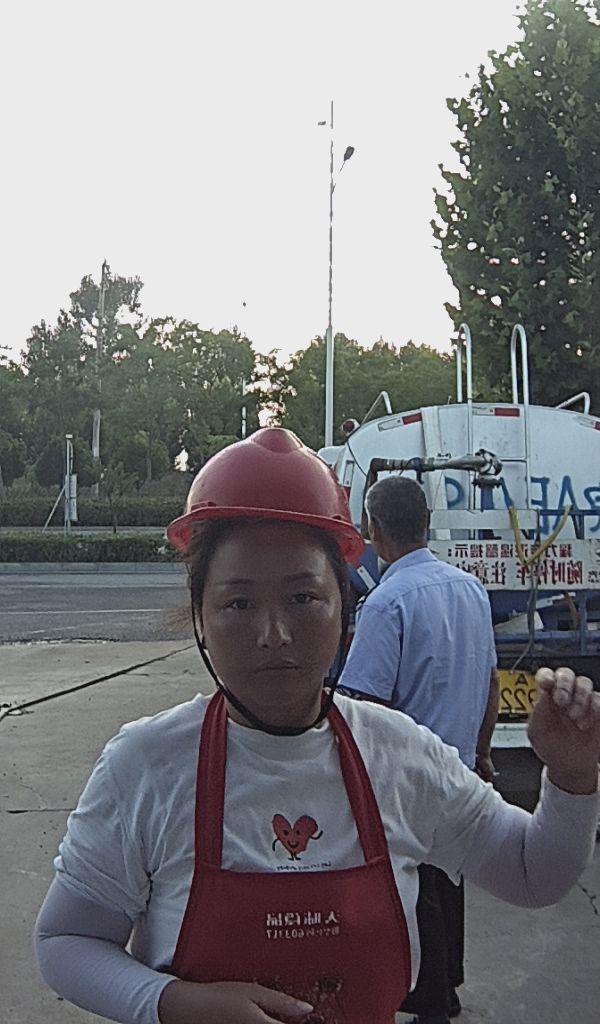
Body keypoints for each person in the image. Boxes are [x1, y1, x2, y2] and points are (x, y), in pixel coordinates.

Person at [34, 428, 600, 1024]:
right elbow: (65, 942)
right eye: (239, 604)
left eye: (303, 599)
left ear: (345, 607)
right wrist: (176, 1003)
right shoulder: (146, 766)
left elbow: (533, 873)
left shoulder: (400, 756)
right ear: (200, 616)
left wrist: (571, 777)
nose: (273, 634)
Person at [338, 474, 501, 1024]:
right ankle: (445, 984)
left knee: (416, 888)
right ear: (427, 523)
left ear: (373, 530)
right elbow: (490, 679)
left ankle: (430, 998)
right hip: (461, 768)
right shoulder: (470, 589)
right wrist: (481, 752)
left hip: (407, 778)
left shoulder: (386, 603)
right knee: (448, 877)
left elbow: (362, 701)